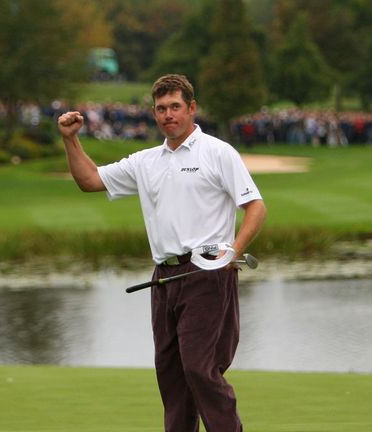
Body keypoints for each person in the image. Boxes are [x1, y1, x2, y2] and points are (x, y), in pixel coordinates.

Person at [57, 74, 266, 432]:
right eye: (161, 109)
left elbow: (256, 207)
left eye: (175, 107)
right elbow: (90, 180)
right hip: (164, 278)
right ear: (154, 114)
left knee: (200, 368)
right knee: (171, 376)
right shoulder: (146, 161)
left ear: (191, 108)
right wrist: (70, 140)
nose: (168, 114)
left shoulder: (217, 152)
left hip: (206, 271)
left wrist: (234, 251)